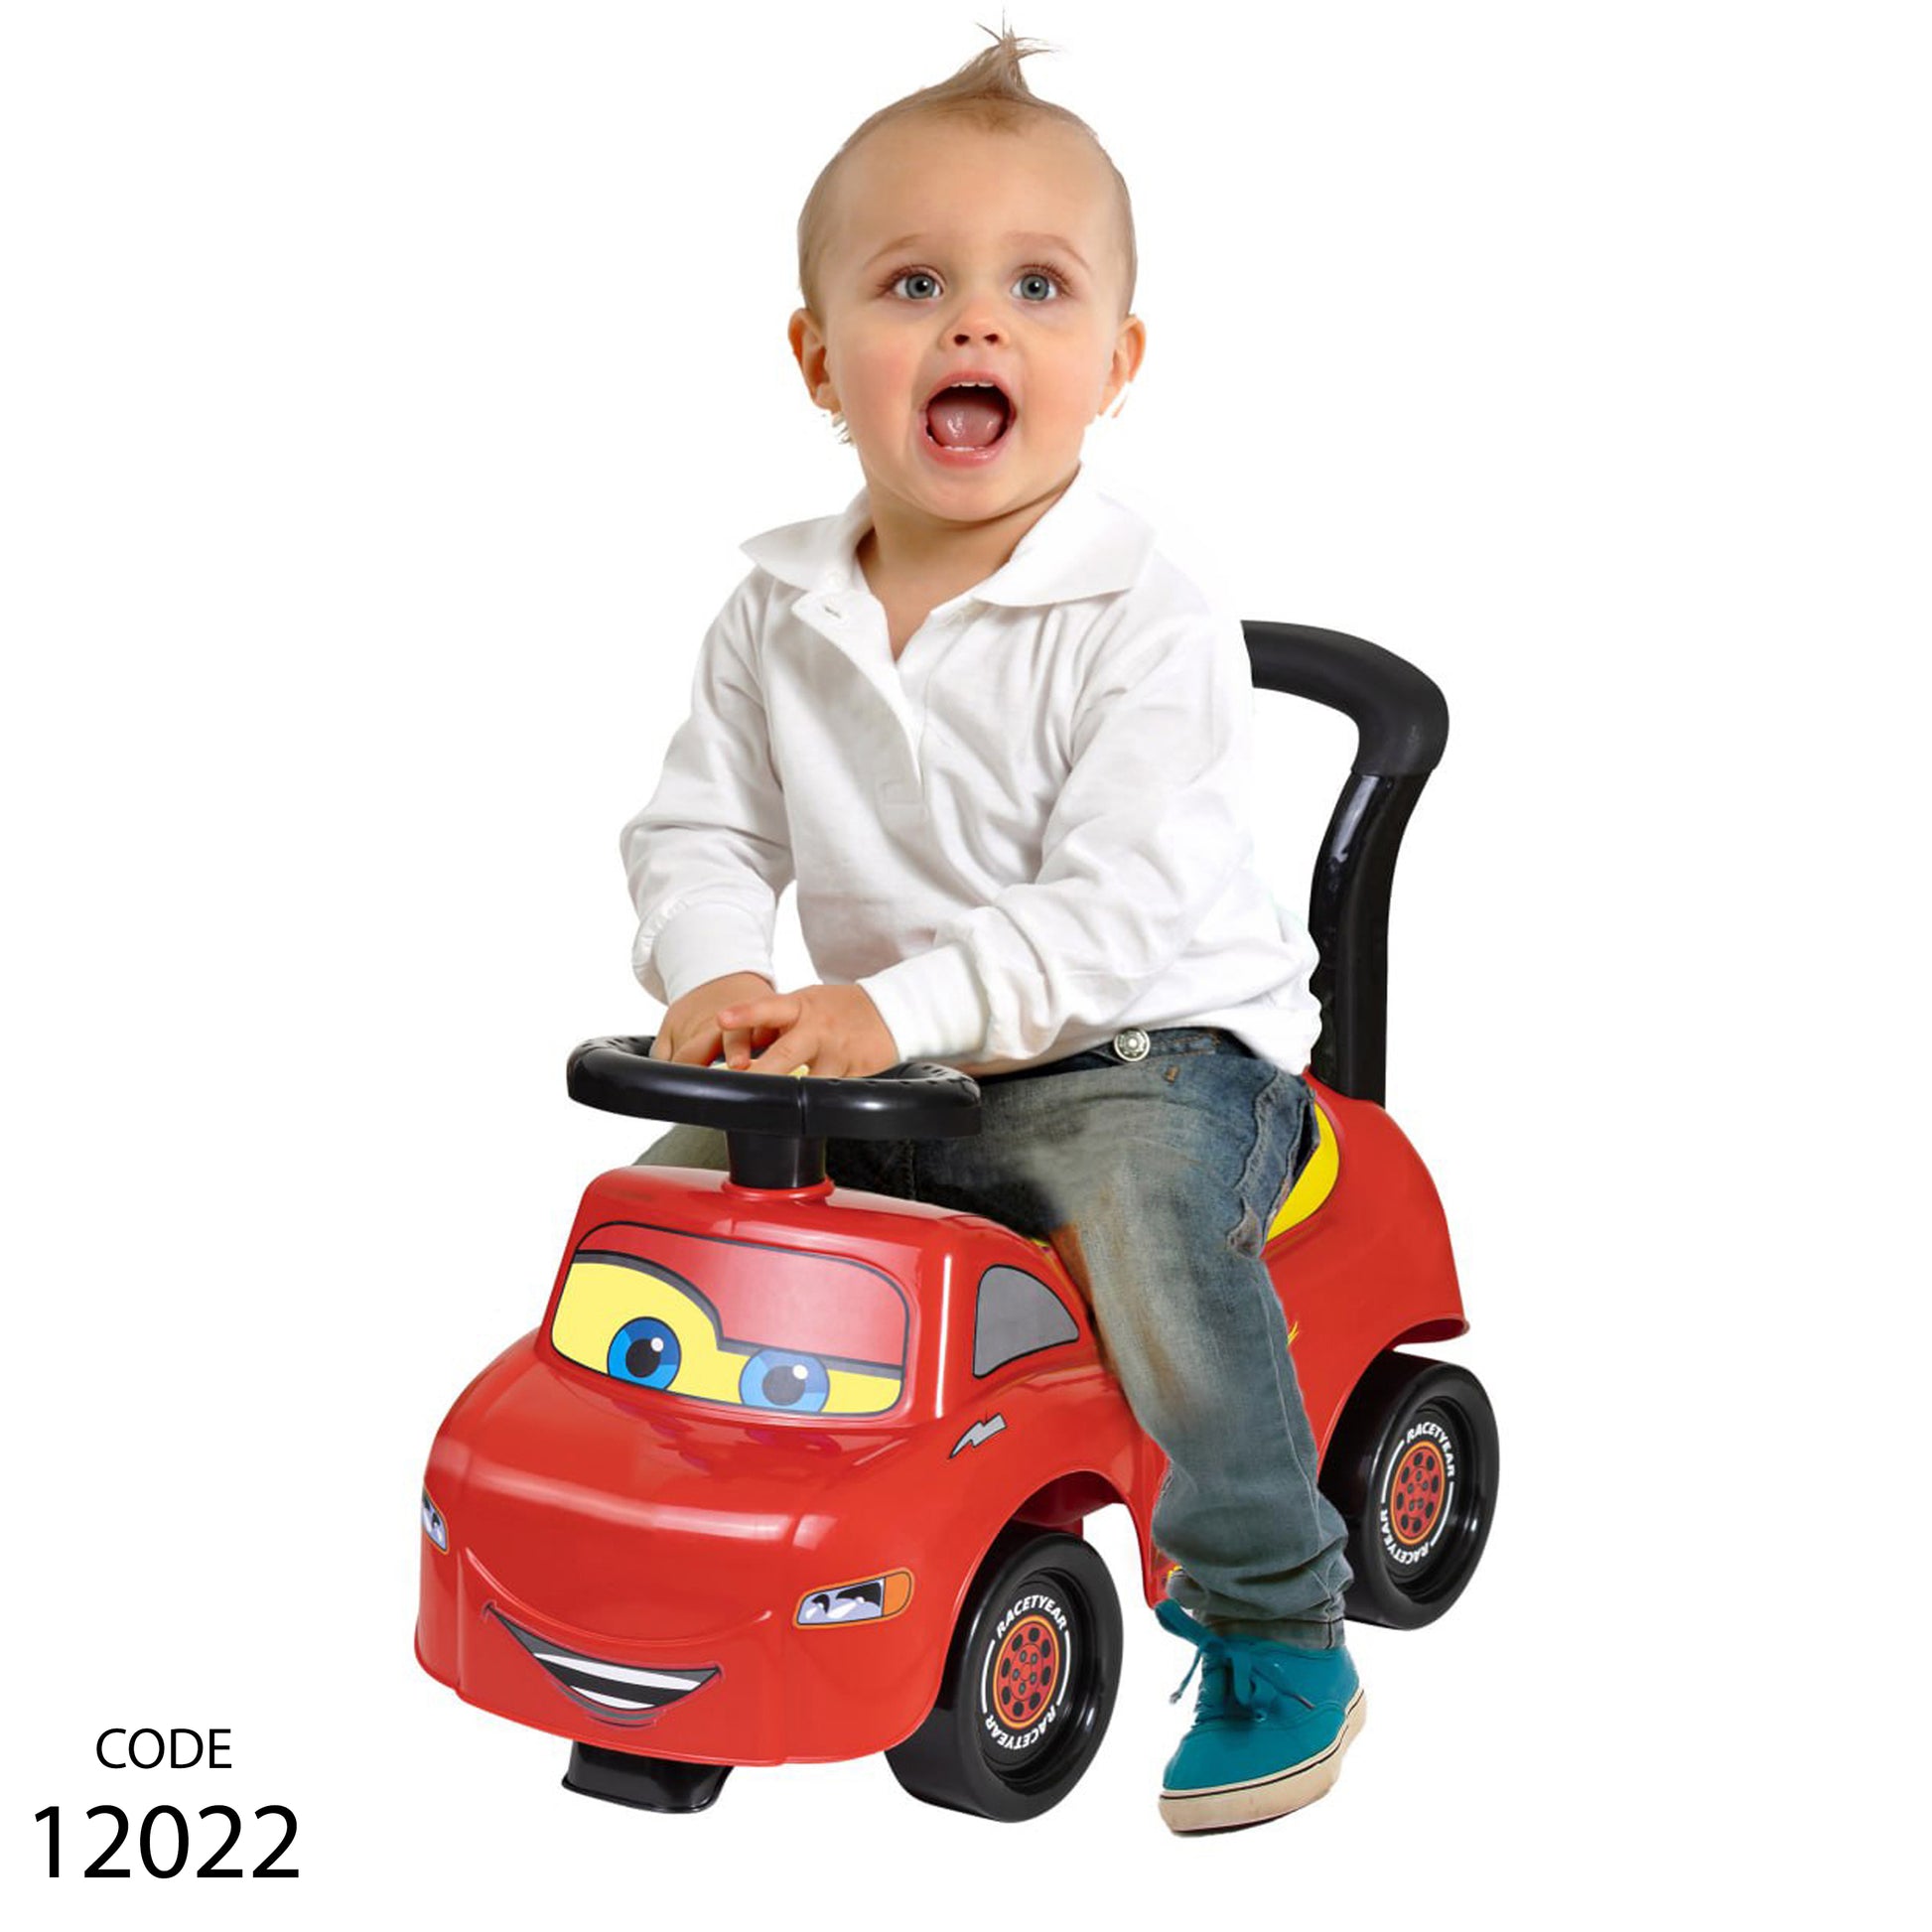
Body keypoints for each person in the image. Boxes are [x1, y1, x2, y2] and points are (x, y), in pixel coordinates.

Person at [621, 27, 1361, 1833]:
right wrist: (716, 973)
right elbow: (700, 828)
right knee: (660, 1232)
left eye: (1036, 287)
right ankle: (684, 1569)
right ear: (818, 359)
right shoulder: (775, 610)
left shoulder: (1145, 620)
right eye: (912, 286)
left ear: (1114, 361)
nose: (974, 325)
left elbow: (1111, 915)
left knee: (1158, 1253)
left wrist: (888, 1010)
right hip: (902, 1063)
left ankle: (1275, 1619)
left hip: (1143, 1054)